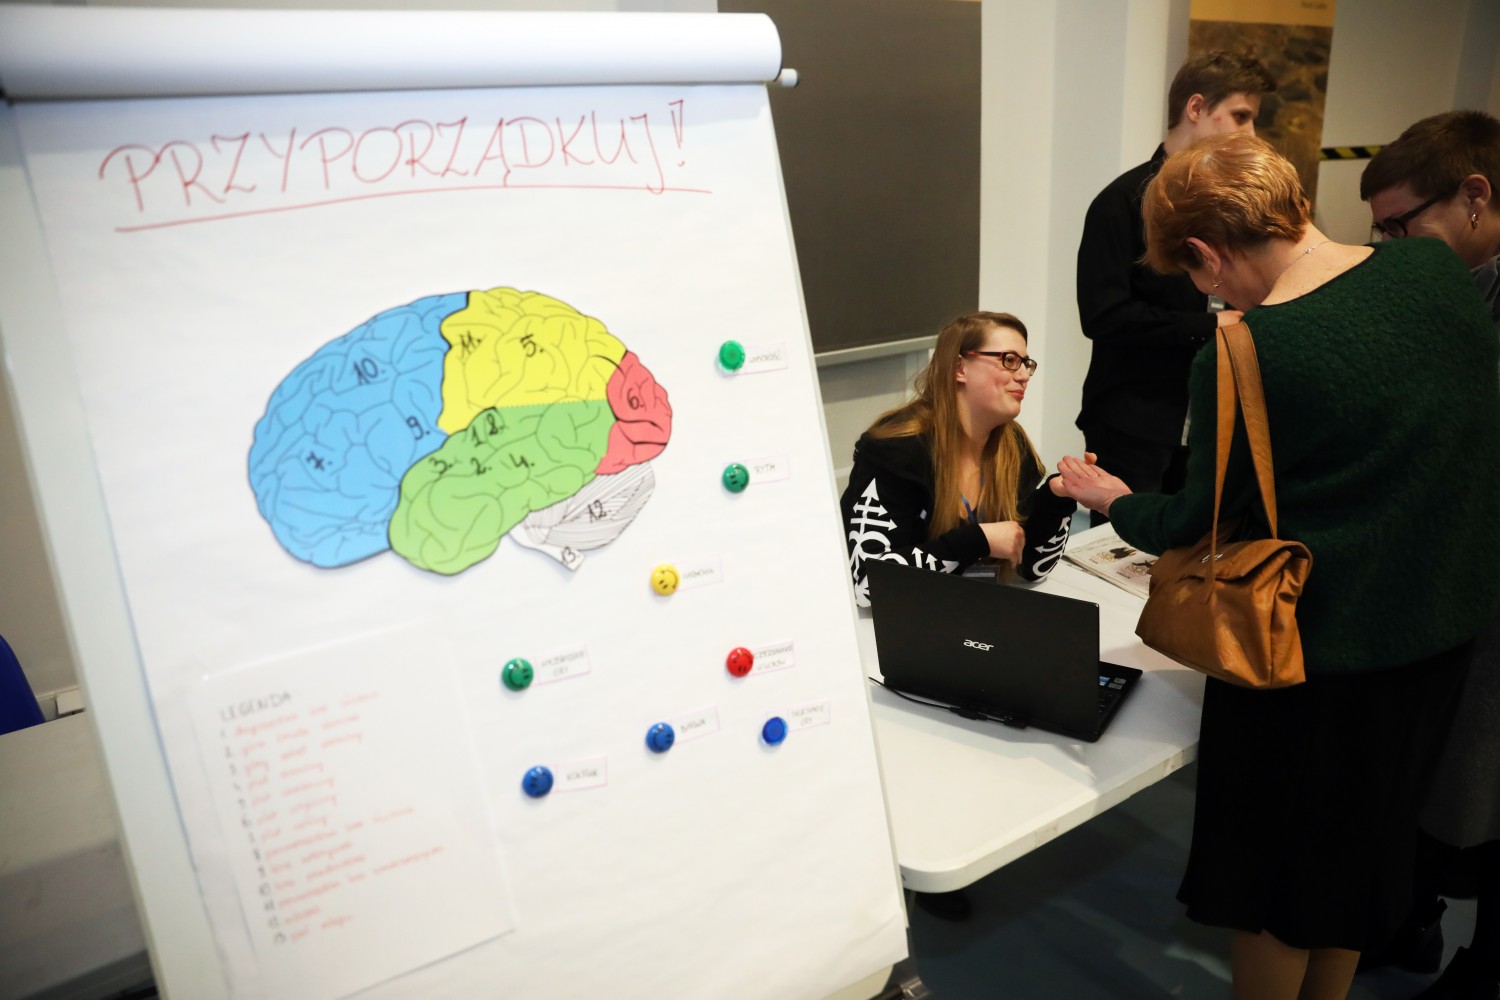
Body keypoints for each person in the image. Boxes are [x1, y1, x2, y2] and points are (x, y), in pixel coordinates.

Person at [1055, 132, 1500, 1000]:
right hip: (1439, 638)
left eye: (1198, 278)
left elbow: (1194, 521)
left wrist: (1114, 501)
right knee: (1358, 866)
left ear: (1206, 252)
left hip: (1310, 659)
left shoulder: (1250, 351)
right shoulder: (1433, 271)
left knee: (1272, 891)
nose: (1210, 296)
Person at [1358, 109, 1500, 1000]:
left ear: (1474, 195)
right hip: (1451, 583)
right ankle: (1407, 920)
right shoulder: (1470, 286)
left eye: (1403, 227)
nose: (1395, 250)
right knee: (1435, 771)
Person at [1074, 50, 1275, 525]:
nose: (1250, 134)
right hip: (1134, 421)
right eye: (1240, 116)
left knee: (1193, 552)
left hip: (1210, 417)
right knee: (1120, 554)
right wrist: (1209, 326)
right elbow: (1103, 316)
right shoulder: (1120, 202)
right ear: (1196, 108)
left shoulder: (1232, 203)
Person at [840, 311, 1076, 607]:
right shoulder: (896, 450)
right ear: (959, 368)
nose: (1024, 375)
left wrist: (1057, 500)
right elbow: (868, 586)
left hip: (969, 612)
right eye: (1009, 360)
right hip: (893, 622)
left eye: (1026, 364)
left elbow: (1030, 570)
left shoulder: (1012, 446)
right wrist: (977, 541)